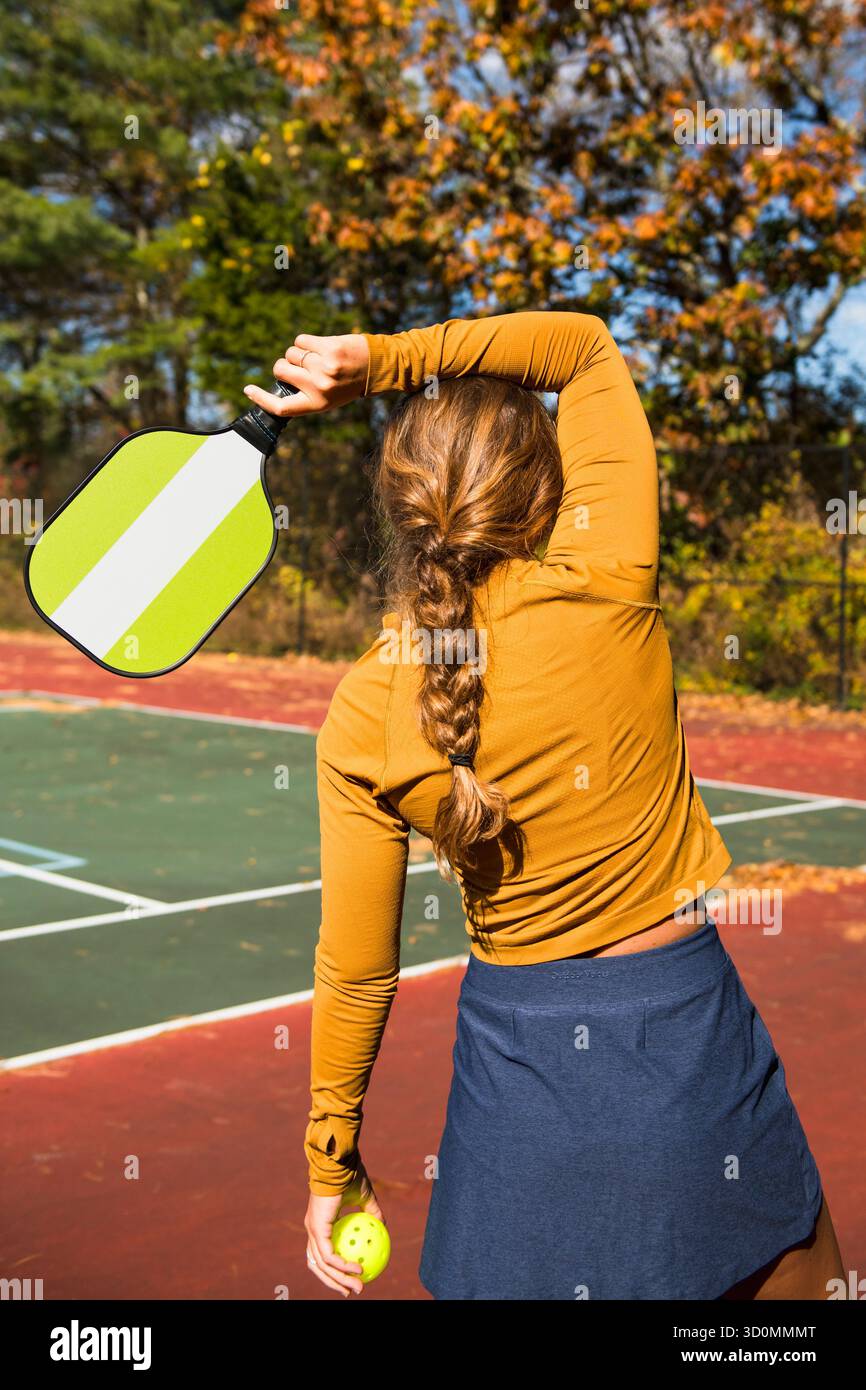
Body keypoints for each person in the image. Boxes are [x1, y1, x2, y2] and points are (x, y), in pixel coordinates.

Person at [245, 312, 844, 1301]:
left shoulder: (360, 713)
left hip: (515, 1092)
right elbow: (582, 348)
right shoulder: (608, 578)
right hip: (693, 1055)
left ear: (400, 513)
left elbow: (355, 971)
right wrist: (382, 361)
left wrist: (331, 1168)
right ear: (545, 489)